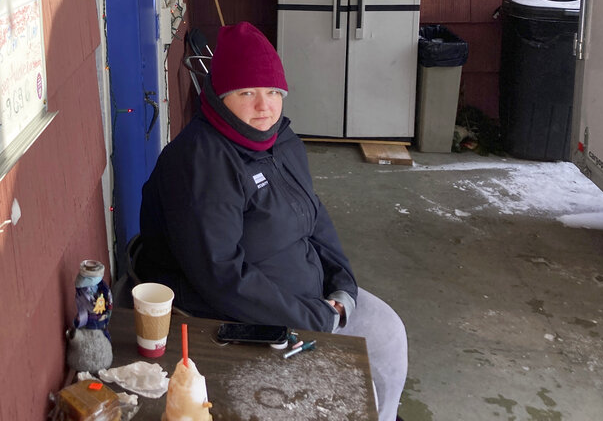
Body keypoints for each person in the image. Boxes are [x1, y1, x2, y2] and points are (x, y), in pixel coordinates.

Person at [139, 21, 407, 421]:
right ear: (220, 96)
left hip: (312, 298)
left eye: (272, 92)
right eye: (247, 93)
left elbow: (314, 216)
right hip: (241, 312)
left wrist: (343, 284)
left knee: (387, 332)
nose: (264, 106)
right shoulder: (201, 162)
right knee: (348, 389)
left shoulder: (280, 140)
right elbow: (221, 275)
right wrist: (312, 318)